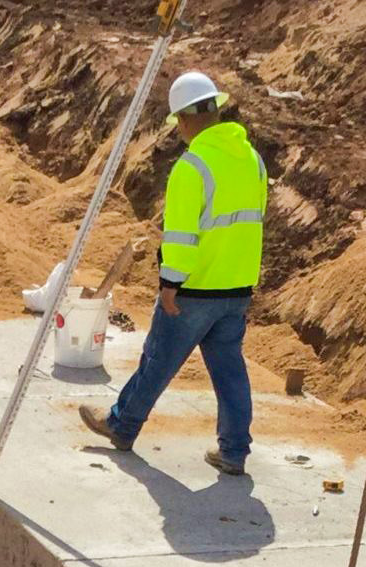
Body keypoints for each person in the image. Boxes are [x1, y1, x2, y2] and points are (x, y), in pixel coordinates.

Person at [81, 71, 268, 475]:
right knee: (230, 370)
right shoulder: (253, 161)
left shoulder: (192, 166)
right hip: (236, 288)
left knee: (157, 361)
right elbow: (253, 222)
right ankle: (234, 451)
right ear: (216, 109)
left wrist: (170, 284)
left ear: (183, 119)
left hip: (195, 290)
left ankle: (121, 425)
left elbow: (182, 236)